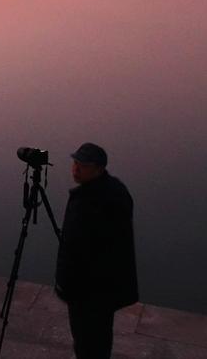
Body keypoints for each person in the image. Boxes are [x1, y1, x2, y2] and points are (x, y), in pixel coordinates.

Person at [55, 143, 138, 359]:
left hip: (90, 290)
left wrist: (66, 284)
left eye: (82, 165)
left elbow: (80, 248)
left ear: (99, 169)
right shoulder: (112, 191)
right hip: (102, 289)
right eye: (74, 163)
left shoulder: (96, 201)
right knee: (97, 340)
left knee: (88, 342)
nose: (75, 169)